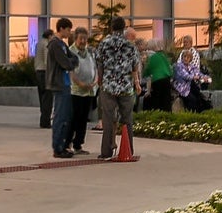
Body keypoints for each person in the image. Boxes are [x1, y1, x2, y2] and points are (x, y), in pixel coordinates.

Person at [94, 16, 142, 162]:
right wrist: (136, 82)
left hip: (108, 85)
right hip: (126, 86)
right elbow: (135, 65)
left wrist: (101, 80)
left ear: (111, 27)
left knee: (108, 118)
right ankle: (128, 149)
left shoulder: (104, 43)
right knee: (127, 119)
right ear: (124, 28)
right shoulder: (130, 45)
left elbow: (100, 63)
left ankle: (107, 151)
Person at [42, 18, 78, 157]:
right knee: (60, 116)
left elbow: (73, 58)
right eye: (68, 30)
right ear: (61, 28)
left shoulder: (62, 44)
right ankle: (57, 147)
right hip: (59, 84)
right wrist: (71, 62)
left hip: (65, 84)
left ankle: (62, 145)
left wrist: (71, 61)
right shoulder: (55, 45)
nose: (69, 33)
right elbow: (66, 63)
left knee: (66, 116)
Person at [62, 25, 96, 157]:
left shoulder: (88, 53)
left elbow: (93, 67)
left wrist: (94, 81)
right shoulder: (70, 52)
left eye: (85, 39)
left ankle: (78, 144)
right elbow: (70, 72)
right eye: (81, 39)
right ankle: (66, 144)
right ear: (75, 39)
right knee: (73, 119)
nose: (83, 41)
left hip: (88, 91)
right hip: (75, 91)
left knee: (83, 120)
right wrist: (80, 83)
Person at [143, 38, 175, 113]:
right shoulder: (163, 55)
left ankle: (157, 118)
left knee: (157, 102)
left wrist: (148, 91)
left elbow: (148, 74)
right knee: (166, 101)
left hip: (157, 80)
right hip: (166, 79)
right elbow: (170, 69)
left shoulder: (150, 57)